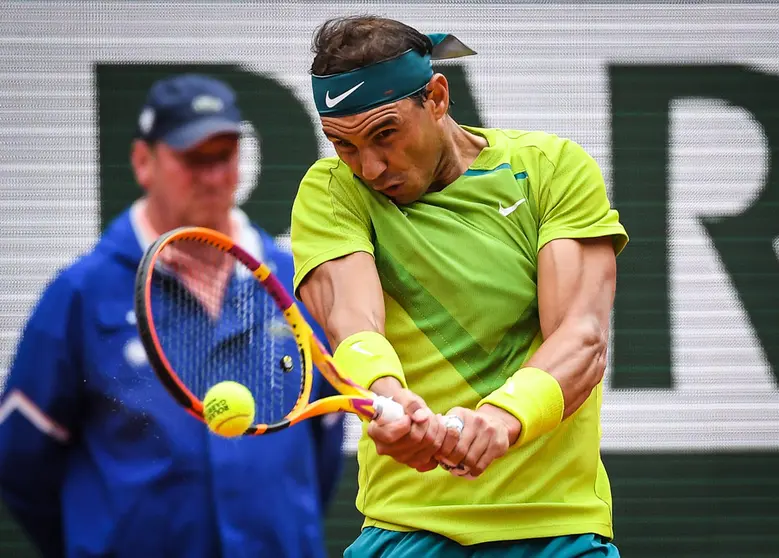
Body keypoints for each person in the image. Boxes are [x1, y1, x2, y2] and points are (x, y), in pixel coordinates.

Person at [290, 16, 629, 558]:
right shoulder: (333, 193)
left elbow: (581, 339)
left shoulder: (550, 171)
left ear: (438, 97)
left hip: (556, 532)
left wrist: (501, 420)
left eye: (385, 134)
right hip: (406, 530)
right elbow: (352, 323)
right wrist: (387, 399)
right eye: (343, 145)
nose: (370, 168)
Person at [0, 74, 344, 558]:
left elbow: (323, 446)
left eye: (223, 156)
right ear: (144, 162)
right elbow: (22, 464)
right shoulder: (79, 294)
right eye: (193, 158)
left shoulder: (293, 282)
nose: (213, 175)